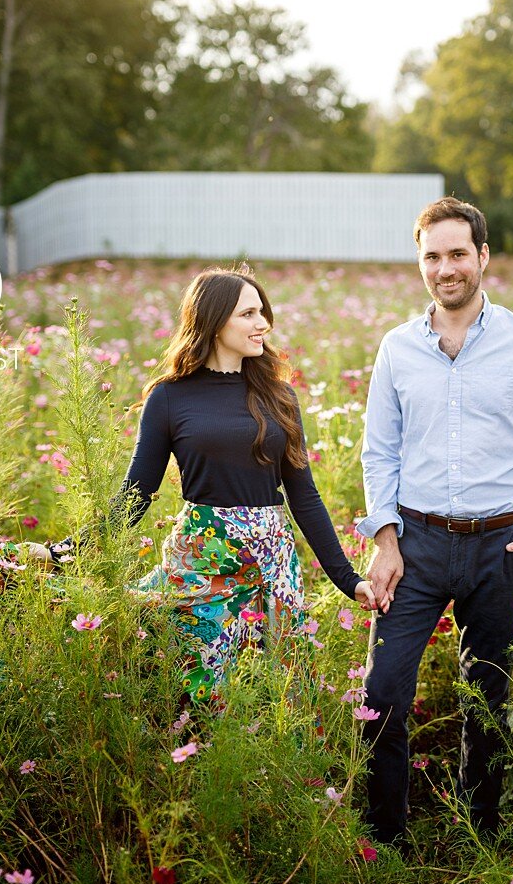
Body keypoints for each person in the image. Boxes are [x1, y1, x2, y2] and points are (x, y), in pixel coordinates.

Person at [357, 196, 513, 846]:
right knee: (381, 697)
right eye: (432, 256)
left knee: (488, 704)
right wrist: (385, 538)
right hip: (418, 544)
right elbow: (378, 450)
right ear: (420, 262)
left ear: (482, 256)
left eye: (458, 253)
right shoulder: (398, 349)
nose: (446, 267)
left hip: (500, 546)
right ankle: (385, 841)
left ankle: (480, 835)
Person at [113, 266, 375, 703]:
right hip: (202, 566)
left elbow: (303, 495)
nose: (263, 325)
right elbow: (137, 494)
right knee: (202, 695)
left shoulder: (278, 396)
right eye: (249, 314)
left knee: (280, 696)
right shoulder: (169, 397)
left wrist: (348, 580)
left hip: (273, 568)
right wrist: (67, 553)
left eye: (262, 313)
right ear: (213, 322)